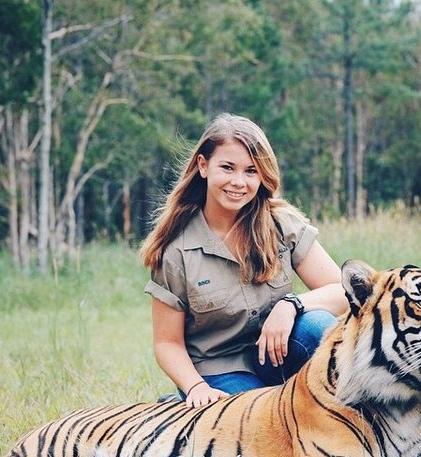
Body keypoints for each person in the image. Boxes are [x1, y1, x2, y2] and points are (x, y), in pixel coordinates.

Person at [140, 113, 348, 408]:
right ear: (203, 166)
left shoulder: (279, 223)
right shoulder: (175, 250)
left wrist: (290, 306)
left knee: (318, 326)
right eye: (228, 168)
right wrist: (196, 387)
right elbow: (167, 343)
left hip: (275, 353)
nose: (239, 182)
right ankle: (182, 407)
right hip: (218, 370)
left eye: (251, 171)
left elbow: (342, 290)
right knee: (260, 419)